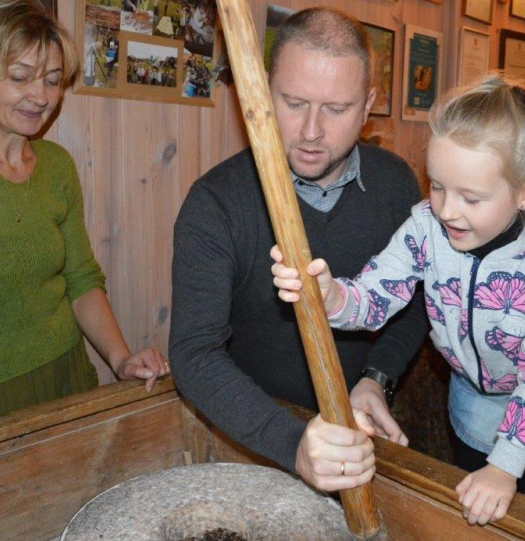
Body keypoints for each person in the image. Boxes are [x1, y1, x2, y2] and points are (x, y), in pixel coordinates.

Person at [271, 75, 525, 524]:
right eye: (436, 186)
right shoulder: (426, 226)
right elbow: (375, 296)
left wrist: (506, 467)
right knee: (473, 506)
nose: (447, 210)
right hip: (471, 403)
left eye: (470, 197)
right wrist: (333, 296)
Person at [170, 7, 427, 492]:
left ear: (368, 103)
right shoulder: (216, 203)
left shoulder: (395, 185)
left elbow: (417, 301)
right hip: (252, 441)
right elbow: (194, 353)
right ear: (263, 89)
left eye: (335, 109)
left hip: (360, 439)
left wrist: (378, 376)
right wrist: (291, 444)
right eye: (293, 102)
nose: (311, 130)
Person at [0, 0, 169, 426]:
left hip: (67, 378)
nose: (41, 97)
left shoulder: (56, 166)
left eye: (53, 81)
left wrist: (121, 359)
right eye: (20, 77)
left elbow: (80, 279)